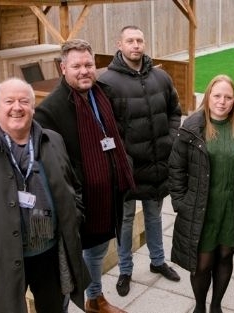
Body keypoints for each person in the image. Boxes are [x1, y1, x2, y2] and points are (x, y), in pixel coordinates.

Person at [0, 78, 90, 313]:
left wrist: (74, 216)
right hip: (4, 256)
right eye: (9, 101)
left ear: (33, 107)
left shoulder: (53, 141)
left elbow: (73, 184)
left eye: (23, 101)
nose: (17, 107)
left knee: (54, 308)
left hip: (50, 254)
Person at [34, 39, 134, 313]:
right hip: (76, 204)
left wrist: (123, 164)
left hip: (106, 197)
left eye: (88, 64)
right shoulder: (49, 111)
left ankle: (95, 298)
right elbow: (50, 166)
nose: (84, 70)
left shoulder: (105, 94)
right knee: (67, 263)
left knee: (98, 251)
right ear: (63, 68)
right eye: (76, 66)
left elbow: (118, 136)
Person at [168, 74, 234, 313]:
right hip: (202, 210)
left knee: (224, 257)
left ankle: (216, 306)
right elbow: (176, 167)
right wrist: (181, 202)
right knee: (202, 264)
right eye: (217, 96)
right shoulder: (192, 128)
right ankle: (200, 306)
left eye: (228, 97)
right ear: (208, 97)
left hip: (233, 209)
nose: (222, 101)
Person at [98, 25, 182, 297]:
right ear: (119, 44)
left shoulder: (161, 77)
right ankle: (125, 269)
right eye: (130, 41)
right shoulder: (107, 82)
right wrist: (121, 156)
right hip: (126, 167)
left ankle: (158, 262)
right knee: (124, 221)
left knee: (155, 216)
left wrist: (170, 139)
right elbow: (104, 127)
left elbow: (174, 111)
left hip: (157, 163)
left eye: (140, 40)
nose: (136, 45)